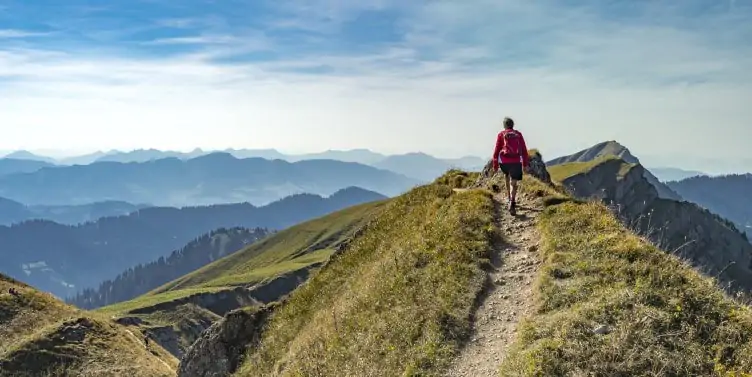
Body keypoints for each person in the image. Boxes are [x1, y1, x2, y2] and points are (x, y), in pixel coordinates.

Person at [492, 117, 529, 215]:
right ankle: (512, 201)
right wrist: (524, 164)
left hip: (504, 162)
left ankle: (508, 198)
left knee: (506, 176)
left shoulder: (501, 134)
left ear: (504, 126)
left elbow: (496, 151)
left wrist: (495, 165)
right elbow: (524, 150)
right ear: (513, 125)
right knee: (514, 182)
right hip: (516, 161)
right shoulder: (518, 134)